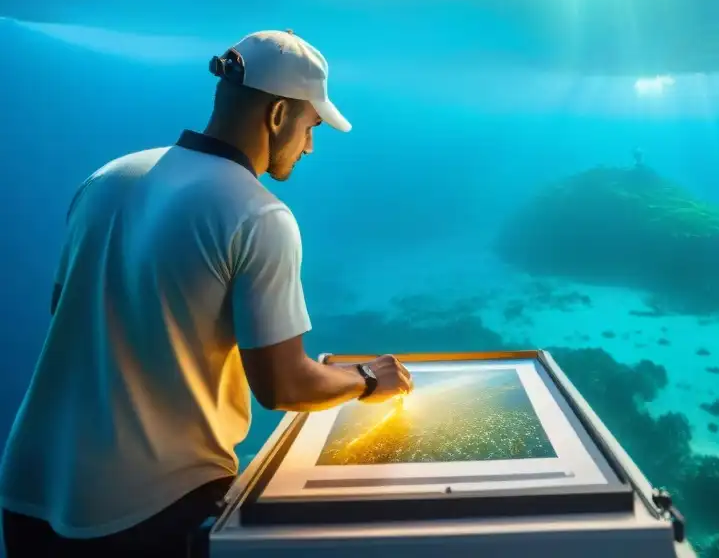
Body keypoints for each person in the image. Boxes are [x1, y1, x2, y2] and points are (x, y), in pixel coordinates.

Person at [0, 30, 414, 557]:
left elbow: (68, 312)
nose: (310, 145)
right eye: (311, 126)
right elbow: (283, 386)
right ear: (278, 115)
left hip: (29, 487)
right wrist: (364, 378)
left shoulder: (106, 178)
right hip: (148, 506)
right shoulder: (259, 215)